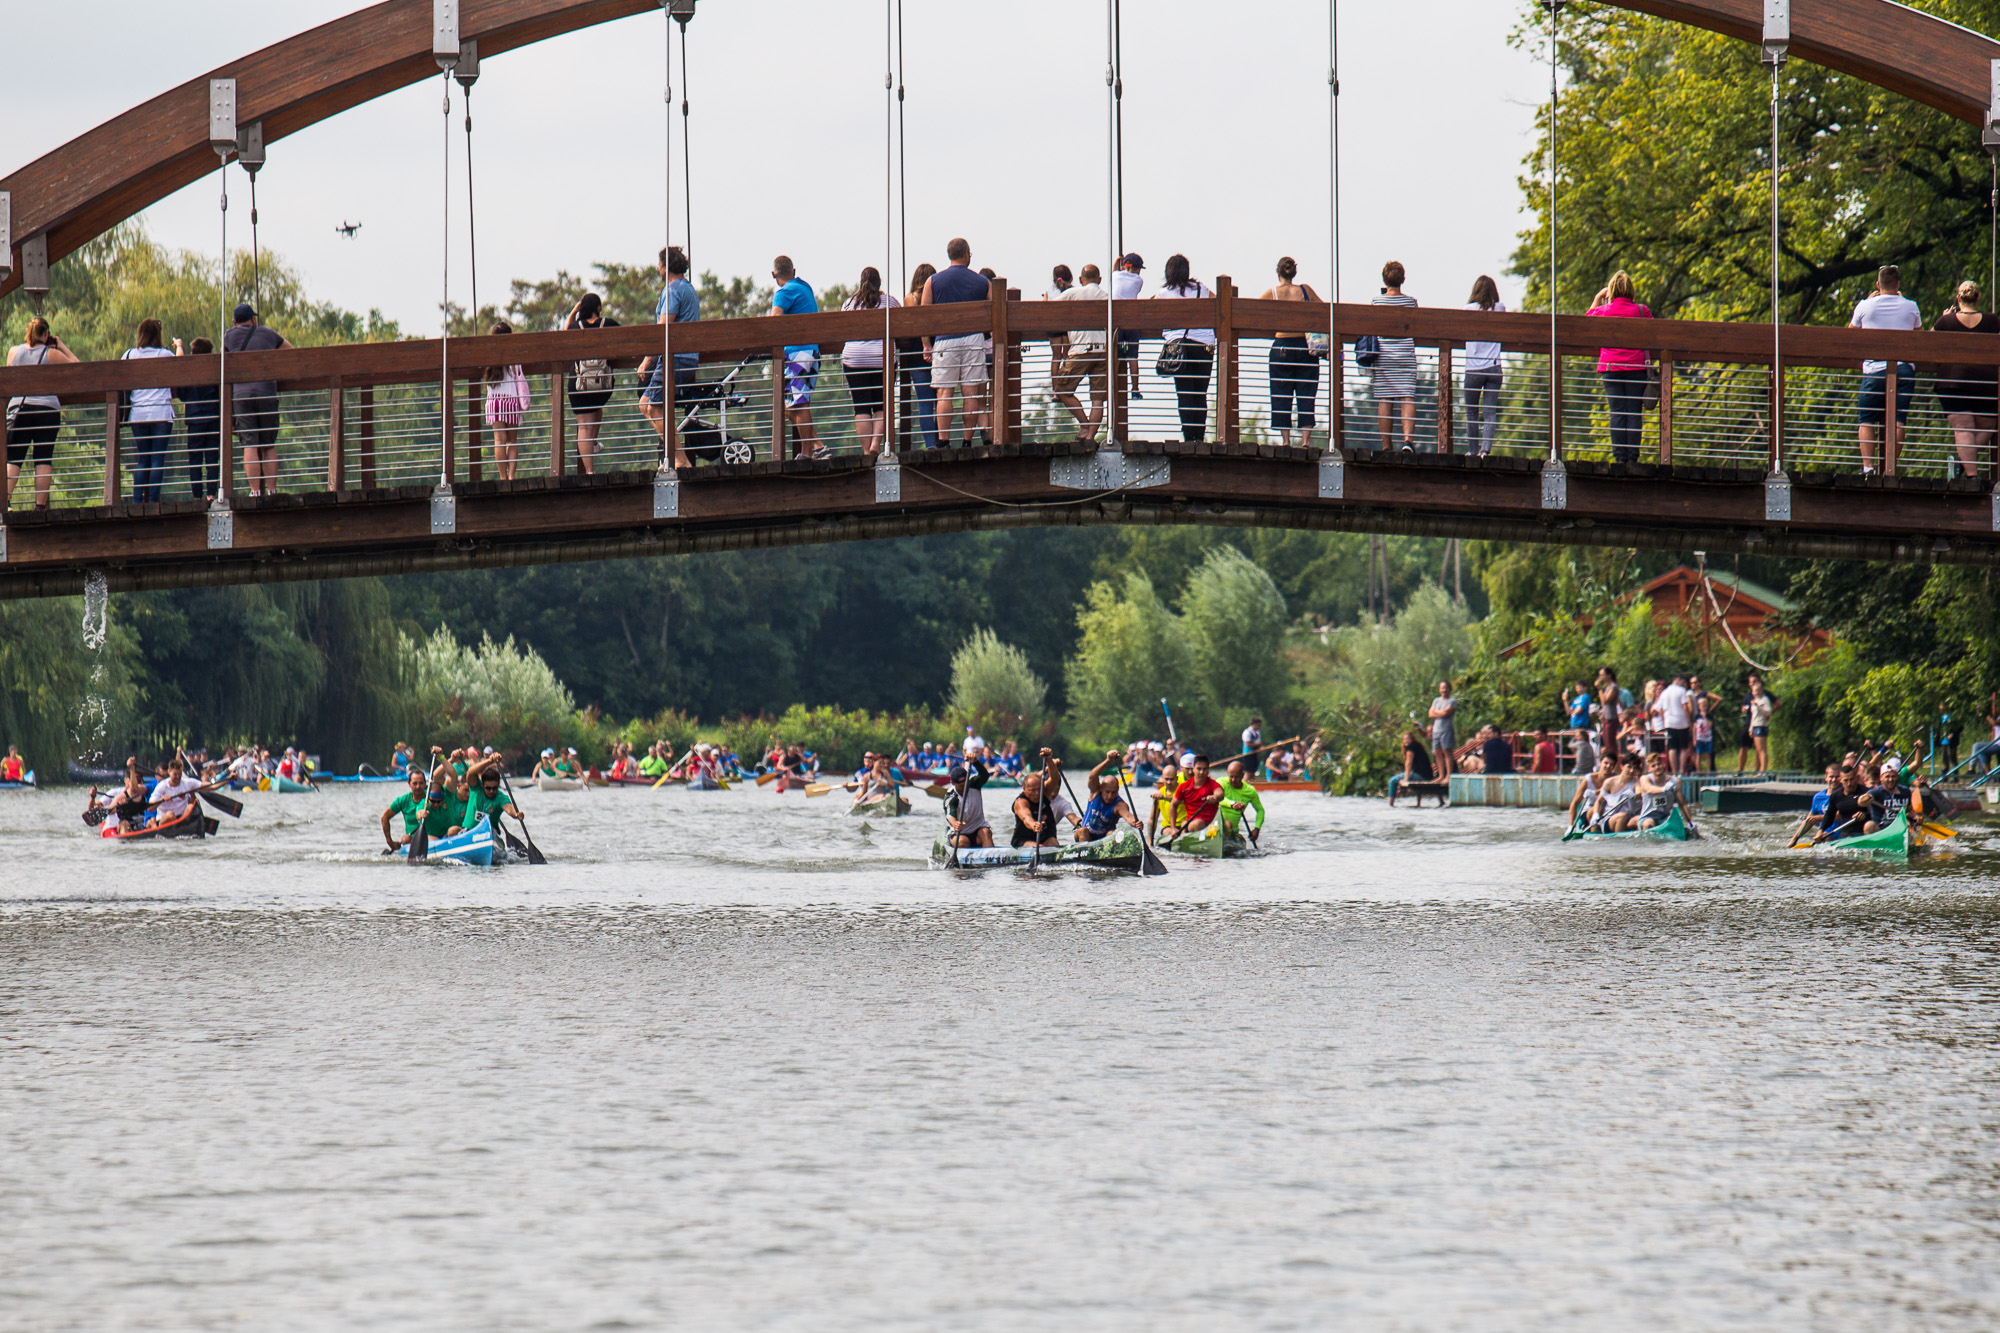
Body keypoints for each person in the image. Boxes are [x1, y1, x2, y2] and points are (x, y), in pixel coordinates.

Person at [1851, 265, 1924, 475]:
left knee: (1866, 418)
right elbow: (1919, 336)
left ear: (1878, 285)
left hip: (1875, 370)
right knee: (1898, 419)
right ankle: (1890, 468)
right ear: (1898, 285)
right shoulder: (1911, 306)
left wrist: (1869, 300)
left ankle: (1868, 468)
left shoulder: (1865, 305)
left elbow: (1850, 335)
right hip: (1903, 369)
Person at [920, 239, 991, 447]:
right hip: (973, 339)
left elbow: (923, 316)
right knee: (971, 392)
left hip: (945, 340)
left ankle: (943, 441)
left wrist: (926, 344)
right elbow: (994, 313)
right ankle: (967, 440)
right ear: (966, 254)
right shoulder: (982, 282)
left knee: (944, 392)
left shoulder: (933, 281)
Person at [6, 318, 79, 511]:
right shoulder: (51, 354)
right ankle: (40, 507)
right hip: (47, 410)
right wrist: (61, 346)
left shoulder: (14, 352)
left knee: (14, 457)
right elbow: (78, 367)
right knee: (43, 458)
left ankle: (4, 503)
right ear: (46, 335)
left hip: (19, 410)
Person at [638, 246, 699, 470]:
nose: (658, 268)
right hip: (687, 357)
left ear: (666, 266)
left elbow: (663, 328)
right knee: (646, 404)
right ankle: (676, 456)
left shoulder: (672, 290)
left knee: (652, 407)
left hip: (677, 357)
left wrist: (647, 360)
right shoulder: (688, 288)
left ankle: (680, 459)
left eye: (660, 264)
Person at [1929, 280, 1998, 479]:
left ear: (1958, 299)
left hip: (1952, 381)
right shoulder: (1992, 321)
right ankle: (1964, 465)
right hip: (1985, 382)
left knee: (1963, 427)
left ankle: (1971, 475)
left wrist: (1943, 318)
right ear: (1978, 298)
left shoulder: (1945, 323)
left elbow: (1926, 345)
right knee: (1989, 426)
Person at [1585, 273, 1653, 464]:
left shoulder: (1604, 311)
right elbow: (1655, 335)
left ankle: (1619, 458)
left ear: (1611, 291)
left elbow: (1586, 324)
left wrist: (1598, 298)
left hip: (1611, 367)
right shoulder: (1641, 311)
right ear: (1631, 290)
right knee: (1633, 412)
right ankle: (1633, 458)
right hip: (1636, 367)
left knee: (1617, 412)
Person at [1148, 254, 1216, 443]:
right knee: (1200, 393)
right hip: (1204, 346)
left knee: (1185, 394)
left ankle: (1189, 437)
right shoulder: (1201, 289)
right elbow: (1219, 304)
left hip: (1178, 348)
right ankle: (1199, 438)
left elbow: (1146, 309)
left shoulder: (1164, 293)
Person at [222, 305, 289, 497]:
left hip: (242, 394)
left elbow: (221, 361)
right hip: (266, 391)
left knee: (250, 443)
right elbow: (290, 351)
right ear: (253, 319)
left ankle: (255, 491)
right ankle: (272, 490)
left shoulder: (229, 336)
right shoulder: (268, 333)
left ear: (235, 322)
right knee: (268, 444)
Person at [762, 255, 825, 459]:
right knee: (789, 407)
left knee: (798, 404)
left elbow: (774, 322)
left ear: (774, 274)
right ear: (794, 271)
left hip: (799, 354)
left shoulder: (785, 292)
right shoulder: (804, 287)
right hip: (808, 352)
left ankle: (807, 452)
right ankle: (817, 446)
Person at [1259, 257, 1323, 447]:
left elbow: (1250, 310)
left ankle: (1286, 440)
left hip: (1282, 345)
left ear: (1278, 273)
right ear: (1295, 272)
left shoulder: (1272, 293)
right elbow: (1324, 310)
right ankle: (1305, 440)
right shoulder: (1305, 290)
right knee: (1306, 392)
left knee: (1281, 393)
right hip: (1305, 347)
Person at [841, 266, 901, 458]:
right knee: (882, 405)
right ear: (879, 283)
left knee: (861, 406)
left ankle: (866, 451)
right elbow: (903, 324)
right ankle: (876, 443)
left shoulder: (849, 303)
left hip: (854, 358)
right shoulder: (889, 302)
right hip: (881, 358)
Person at [122, 319, 180, 504]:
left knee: (143, 459)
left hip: (138, 413)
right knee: (157, 460)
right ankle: (153, 500)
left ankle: (137, 500)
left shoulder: (129, 355)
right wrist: (179, 346)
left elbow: (118, 375)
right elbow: (182, 366)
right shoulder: (164, 354)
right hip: (161, 413)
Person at [564, 293, 621, 474]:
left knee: (583, 426)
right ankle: (593, 443)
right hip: (602, 385)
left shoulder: (575, 327)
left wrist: (573, 313)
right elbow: (626, 339)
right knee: (596, 409)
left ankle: (589, 471)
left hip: (579, 385)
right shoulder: (609, 324)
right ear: (598, 308)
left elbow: (563, 337)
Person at [1053, 264, 1111, 443]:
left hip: (1080, 350)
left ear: (1080, 279)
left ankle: (1084, 425)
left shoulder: (1074, 293)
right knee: (1098, 399)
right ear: (1099, 279)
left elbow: (1050, 308)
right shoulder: (1107, 297)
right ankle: (1090, 437)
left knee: (1062, 389)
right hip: (1102, 350)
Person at [1371, 261, 1420, 453]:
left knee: (1385, 398)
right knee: (1407, 396)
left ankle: (1386, 445)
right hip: (1405, 354)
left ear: (1384, 279)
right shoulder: (1410, 302)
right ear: (1403, 280)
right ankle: (1408, 440)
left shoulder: (1377, 302)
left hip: (1384, 355)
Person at [897, 262, 941, 449]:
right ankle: (941, 442)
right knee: (940, 399)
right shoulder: (938, 298)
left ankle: (930, 445)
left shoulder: (910, 299)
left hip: (916, 354)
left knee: (924, 402)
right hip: (938, 351)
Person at [1463, 275, 1506, 457]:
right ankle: (1485, 451)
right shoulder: (1500, 308)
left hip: (1473, 368)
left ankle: (1473, 452)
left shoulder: (1468, 309)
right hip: (1494, 368)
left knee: (1471, 413)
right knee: (1489, 413)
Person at [484, 321, 532, 480]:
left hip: (494, 402)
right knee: (512, 440)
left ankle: (503, 477)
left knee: (499, 440)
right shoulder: (513, 356)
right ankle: (511, 476)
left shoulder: (489, 358)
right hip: (510, 401)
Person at [178, 337, 222, 503]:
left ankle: (197, 495)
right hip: (212, 419)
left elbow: (182, 394)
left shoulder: (189, 371)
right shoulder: (215, 370)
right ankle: (211, 494)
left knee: (195, 460)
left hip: (194, 420)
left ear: (193, 353)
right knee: (212, 458)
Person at [1076, 752, 1142, 843]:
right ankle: (1083, 855)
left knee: (1112, 833)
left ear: (1118, 790)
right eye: (1107, 792)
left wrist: (1136, 822)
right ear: (1101, 788)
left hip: (1104, 841)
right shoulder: (1095, 792)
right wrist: (1108, 760)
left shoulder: (1119, 805)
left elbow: (1128, 816)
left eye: (1114, 792)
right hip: (1086, 837)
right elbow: (1092, 776)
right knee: (1082, 830)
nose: (1110, 796)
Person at [1110, 253, 1146, 406]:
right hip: (1131, 321)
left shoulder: (1115, 276)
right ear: (1138, 269)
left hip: (1116, 321)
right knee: (1132, 358)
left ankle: (1112, 384)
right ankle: (1135, 389)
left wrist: (1118, 262)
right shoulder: (1139, 281)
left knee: (1116, 355)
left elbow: (1114, 272)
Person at [1163, 753, 1223, 838]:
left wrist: (1215, 797)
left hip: (1212, 825)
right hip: (1193, 824)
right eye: (1199, 769)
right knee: (1198, 823)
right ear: (1193, 769)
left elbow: (1220, 793)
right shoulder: (1184, 787)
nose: (1201, 772)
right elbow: (1173, 805)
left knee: (1227, 824)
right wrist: (1173, 828)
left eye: (1204, 769)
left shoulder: (1213, 784)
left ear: (1208, 770)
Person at [382, 769, 445, 850]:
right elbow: (385, 817)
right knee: (405, 839)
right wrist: (389, 841)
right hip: (413, 839)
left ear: (425, 783)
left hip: (433, 837)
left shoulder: (432, 797)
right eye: (415, 783)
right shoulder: (402, 800)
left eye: (421, 783)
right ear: (409, 784)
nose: (418, 786)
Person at [943, 757, 994, 849]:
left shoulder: (974, 784)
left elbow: (984, 775)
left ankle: (990, 860)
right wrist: (955, 824)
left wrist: (975, 762)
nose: (965, 787)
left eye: (966, 783)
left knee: (986, 833)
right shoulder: (951, 796)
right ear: (953, 783)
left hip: (978, 829)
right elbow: (950, 815)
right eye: (961, 785)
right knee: (963, 842)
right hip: (959, 834)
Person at [146, 756, 204, 826]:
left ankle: (181, 826)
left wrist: (220, 783)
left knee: (191, 807)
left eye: (180, 774)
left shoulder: (187, 783)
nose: (178, 777)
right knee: (171, 815)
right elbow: (149, 808)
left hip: (181, 818)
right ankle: (179, 827)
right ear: (169, 772)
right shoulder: (162, 786)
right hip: (165, 819)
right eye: (175, 774)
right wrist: (162, 799)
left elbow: (210, 786)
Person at [1657, 672, 1694, 775]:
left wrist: (1664, 721)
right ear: (1679, 681)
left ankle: (1673, 770)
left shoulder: (1664, 692)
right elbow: (1685, 707)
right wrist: (1689, 721)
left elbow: (1659, 709)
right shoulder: (1681, 691)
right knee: (1683, 747)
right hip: (1682, 722)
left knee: (1672, 747)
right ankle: (1681, 769)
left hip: (1669, 723)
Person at [1567, 753, 1618, 829]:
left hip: (1607, 812)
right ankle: (1594, 831)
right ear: (1600, 763)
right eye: (1606, 763)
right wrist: (1571, 825)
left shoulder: (1615, 779)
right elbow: (1575, 803)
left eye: (1611, 765)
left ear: (1614, 767)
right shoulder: (1588, 779)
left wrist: (1595, 792)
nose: (1608, 766)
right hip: (1589, 812)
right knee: (1595, 809)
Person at [1742, 675, 1778, 774]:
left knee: (1762, 749)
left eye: (1757, 690)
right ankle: (1758, 770)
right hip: (1755, 726)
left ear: (1761, 690)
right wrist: (1750, 728)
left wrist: (1758, 707)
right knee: (1757, 749)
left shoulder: (1764, 700)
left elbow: (1768, 712)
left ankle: (1763, 770)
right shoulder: (1755, 701)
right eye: (1754, 691)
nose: (1756, 692)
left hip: (1762, 726)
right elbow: (1753, 716)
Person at [1043, 263, 1074, 371]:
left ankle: (1055, 387)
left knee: (1056, 357)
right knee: (1066, 356)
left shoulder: (1049, 291)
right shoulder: (1072, 290)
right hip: (1068, 327)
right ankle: (1065, 385)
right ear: (1070, 278)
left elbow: (1043, 307)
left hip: (1053, 325)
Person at [1428, 680, 1457, 776]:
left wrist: (1437, 712)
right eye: (1442, 688)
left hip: (1446, 729)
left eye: (1446, 687)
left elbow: (1446, 713)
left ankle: (1448, 775)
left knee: (1447, 751)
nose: (1444, 690)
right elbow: (1430, 714)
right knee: (1437, 752)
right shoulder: (1436, 700)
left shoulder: (1452, 701)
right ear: (1439, 689)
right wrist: (1440, 713)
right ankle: (1441, 775)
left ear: (1449, 689)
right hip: (1436, 730)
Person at [1692, 698, 1716, 773]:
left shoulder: (1709, 716)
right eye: (1701, 705)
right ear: (1699, 706)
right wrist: (1694, 739)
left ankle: (1708, 772)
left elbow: (1709, 726)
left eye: (1705, 705)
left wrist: (1705, 717)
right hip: (1699, 738)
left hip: (1708, 739)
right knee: (1698, 755)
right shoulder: (1697, 716)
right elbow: (1694, 728)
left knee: (1707, 755)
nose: (1703, 706)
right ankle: (1699, 771)